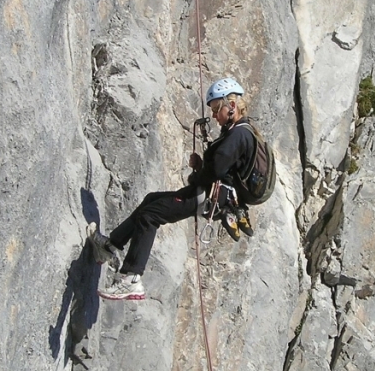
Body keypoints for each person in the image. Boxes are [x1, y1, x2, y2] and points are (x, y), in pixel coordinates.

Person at [90, 77, 256, 300]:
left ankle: (131, 278)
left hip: (210, 196)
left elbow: (216, 171)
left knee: (150, 216)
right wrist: (201, 167)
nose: (215, 116)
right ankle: (110, 246)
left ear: (232, 106)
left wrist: (199, 171)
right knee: (151, 200)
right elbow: (222, 168)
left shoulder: (239, 134)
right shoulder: (239, 131)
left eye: (217, 109)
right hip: (212, 195)